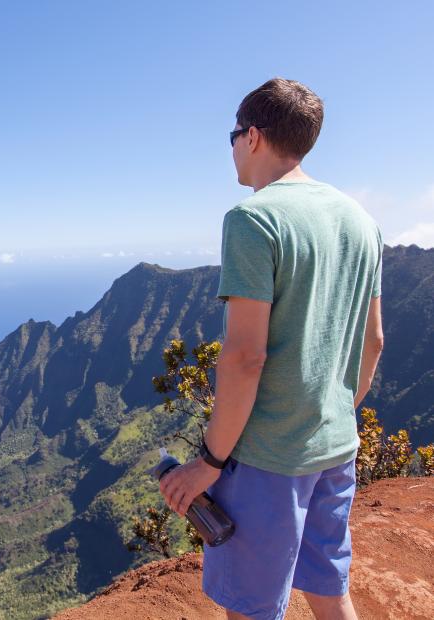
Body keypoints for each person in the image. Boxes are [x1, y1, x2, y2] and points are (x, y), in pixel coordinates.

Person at [159, 77, 384, 620]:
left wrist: (210, 462)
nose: (232, 149)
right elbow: (373, 341)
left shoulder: (254, 219)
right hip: (335, 446)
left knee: (253, 608)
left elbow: (244, 357)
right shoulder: (362, 222)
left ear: (253, 136)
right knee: (331, 591)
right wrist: (330, 416)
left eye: (232, 136)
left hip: (267, 460)